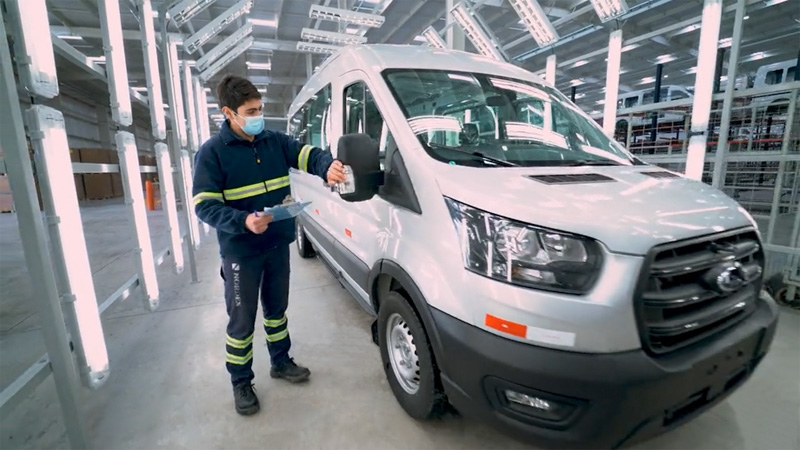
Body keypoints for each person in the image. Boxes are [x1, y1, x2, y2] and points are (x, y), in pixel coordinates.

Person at [192, 74, 347, 416]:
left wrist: (329, 166)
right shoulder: (212, 154)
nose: (258, 115)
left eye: (260, 108)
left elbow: (307, 154)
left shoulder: (274, 141)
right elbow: (204, 205)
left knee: (276, 311)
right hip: (240, 253)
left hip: (277, 244)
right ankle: (241, 382)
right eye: (251, 110)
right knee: (242, 322)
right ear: (229, 113)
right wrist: (243, 221)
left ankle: (280, 361)